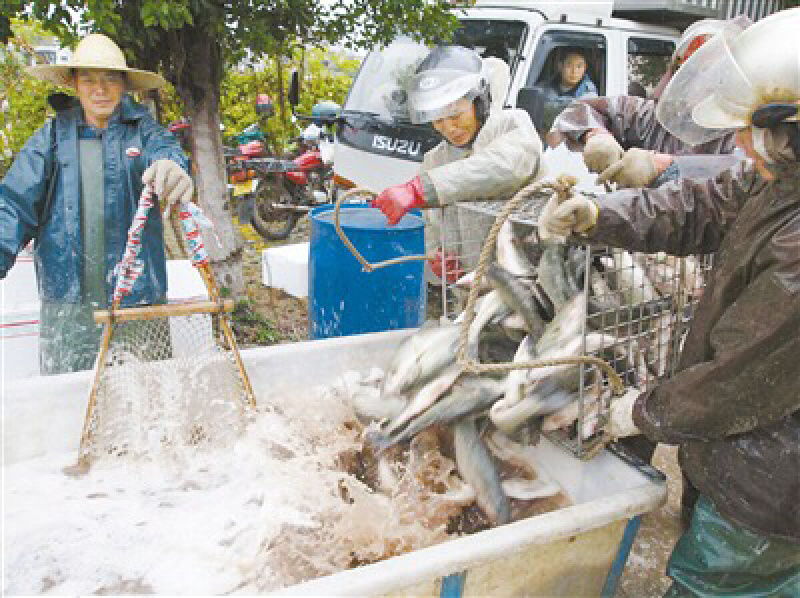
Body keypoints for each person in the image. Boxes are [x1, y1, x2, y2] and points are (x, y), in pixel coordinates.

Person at [539, 8, 800, 596]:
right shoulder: (780, 180)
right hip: (751, 461)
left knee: (721, 581)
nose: (736, 144)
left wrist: (641, 411)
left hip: (775, 489)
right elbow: (699, 206)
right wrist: (599, 215)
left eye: (753, 130)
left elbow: (742, 381)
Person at [0, 33, 192, 375]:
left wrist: (172, 167)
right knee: (71, 402)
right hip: (68, 304)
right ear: (75, 84)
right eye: (88, 79)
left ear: (124, 85)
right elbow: (14, 204)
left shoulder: (144, 132)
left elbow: (167, 152)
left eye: (109, 79)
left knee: (146, 396)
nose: (99, 89)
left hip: (138, 297)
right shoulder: (51, 138)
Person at [371, 45, 542, 282]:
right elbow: (432, 225)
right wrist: (437, 255)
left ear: (478, 102)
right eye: (437, 121)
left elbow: (503, 166)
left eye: (455, 115)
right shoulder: (435, 160)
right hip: (470, 286)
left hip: (526, 277)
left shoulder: (512, 125)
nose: (449, 128)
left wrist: (419, 190)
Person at [546, 16, 752, 189]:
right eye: (693, 72)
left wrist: (665, 166)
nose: (701, 82)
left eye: (711, 72)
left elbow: (743, 178)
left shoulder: (745, 134)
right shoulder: (652, 117)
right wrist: (596, 135)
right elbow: (584, 109)